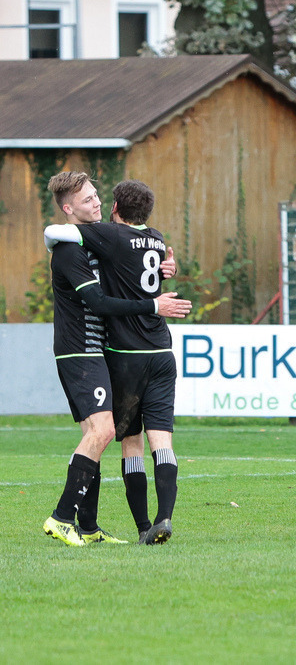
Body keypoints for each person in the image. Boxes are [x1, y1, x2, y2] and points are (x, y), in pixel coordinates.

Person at [42, 172, 190, 547]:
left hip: (100, 352)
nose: (95, 203)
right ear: (68, 208)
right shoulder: (69, 248)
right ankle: (61, 518)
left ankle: (88, 527)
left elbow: (130, 266)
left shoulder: (102, 240)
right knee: (104, 432)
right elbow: (99, 303)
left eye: (96, 197)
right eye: (86, 200)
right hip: (80, 351)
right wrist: (154, 303)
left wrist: (161, 269)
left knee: (101, 436)